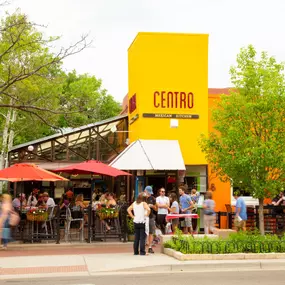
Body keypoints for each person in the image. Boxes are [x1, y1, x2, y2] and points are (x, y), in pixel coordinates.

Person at [144, 186, 157, 254]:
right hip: (143, 217)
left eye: (149, 193)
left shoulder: (153, 198)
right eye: (148, 193)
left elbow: (156, 208)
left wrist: (152, 206)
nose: (149, 194)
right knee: (143, 232)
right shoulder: (142, 198)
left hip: (150, 216)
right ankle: (143, 246)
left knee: (151, 232)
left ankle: (150, 247)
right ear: (145, 191)